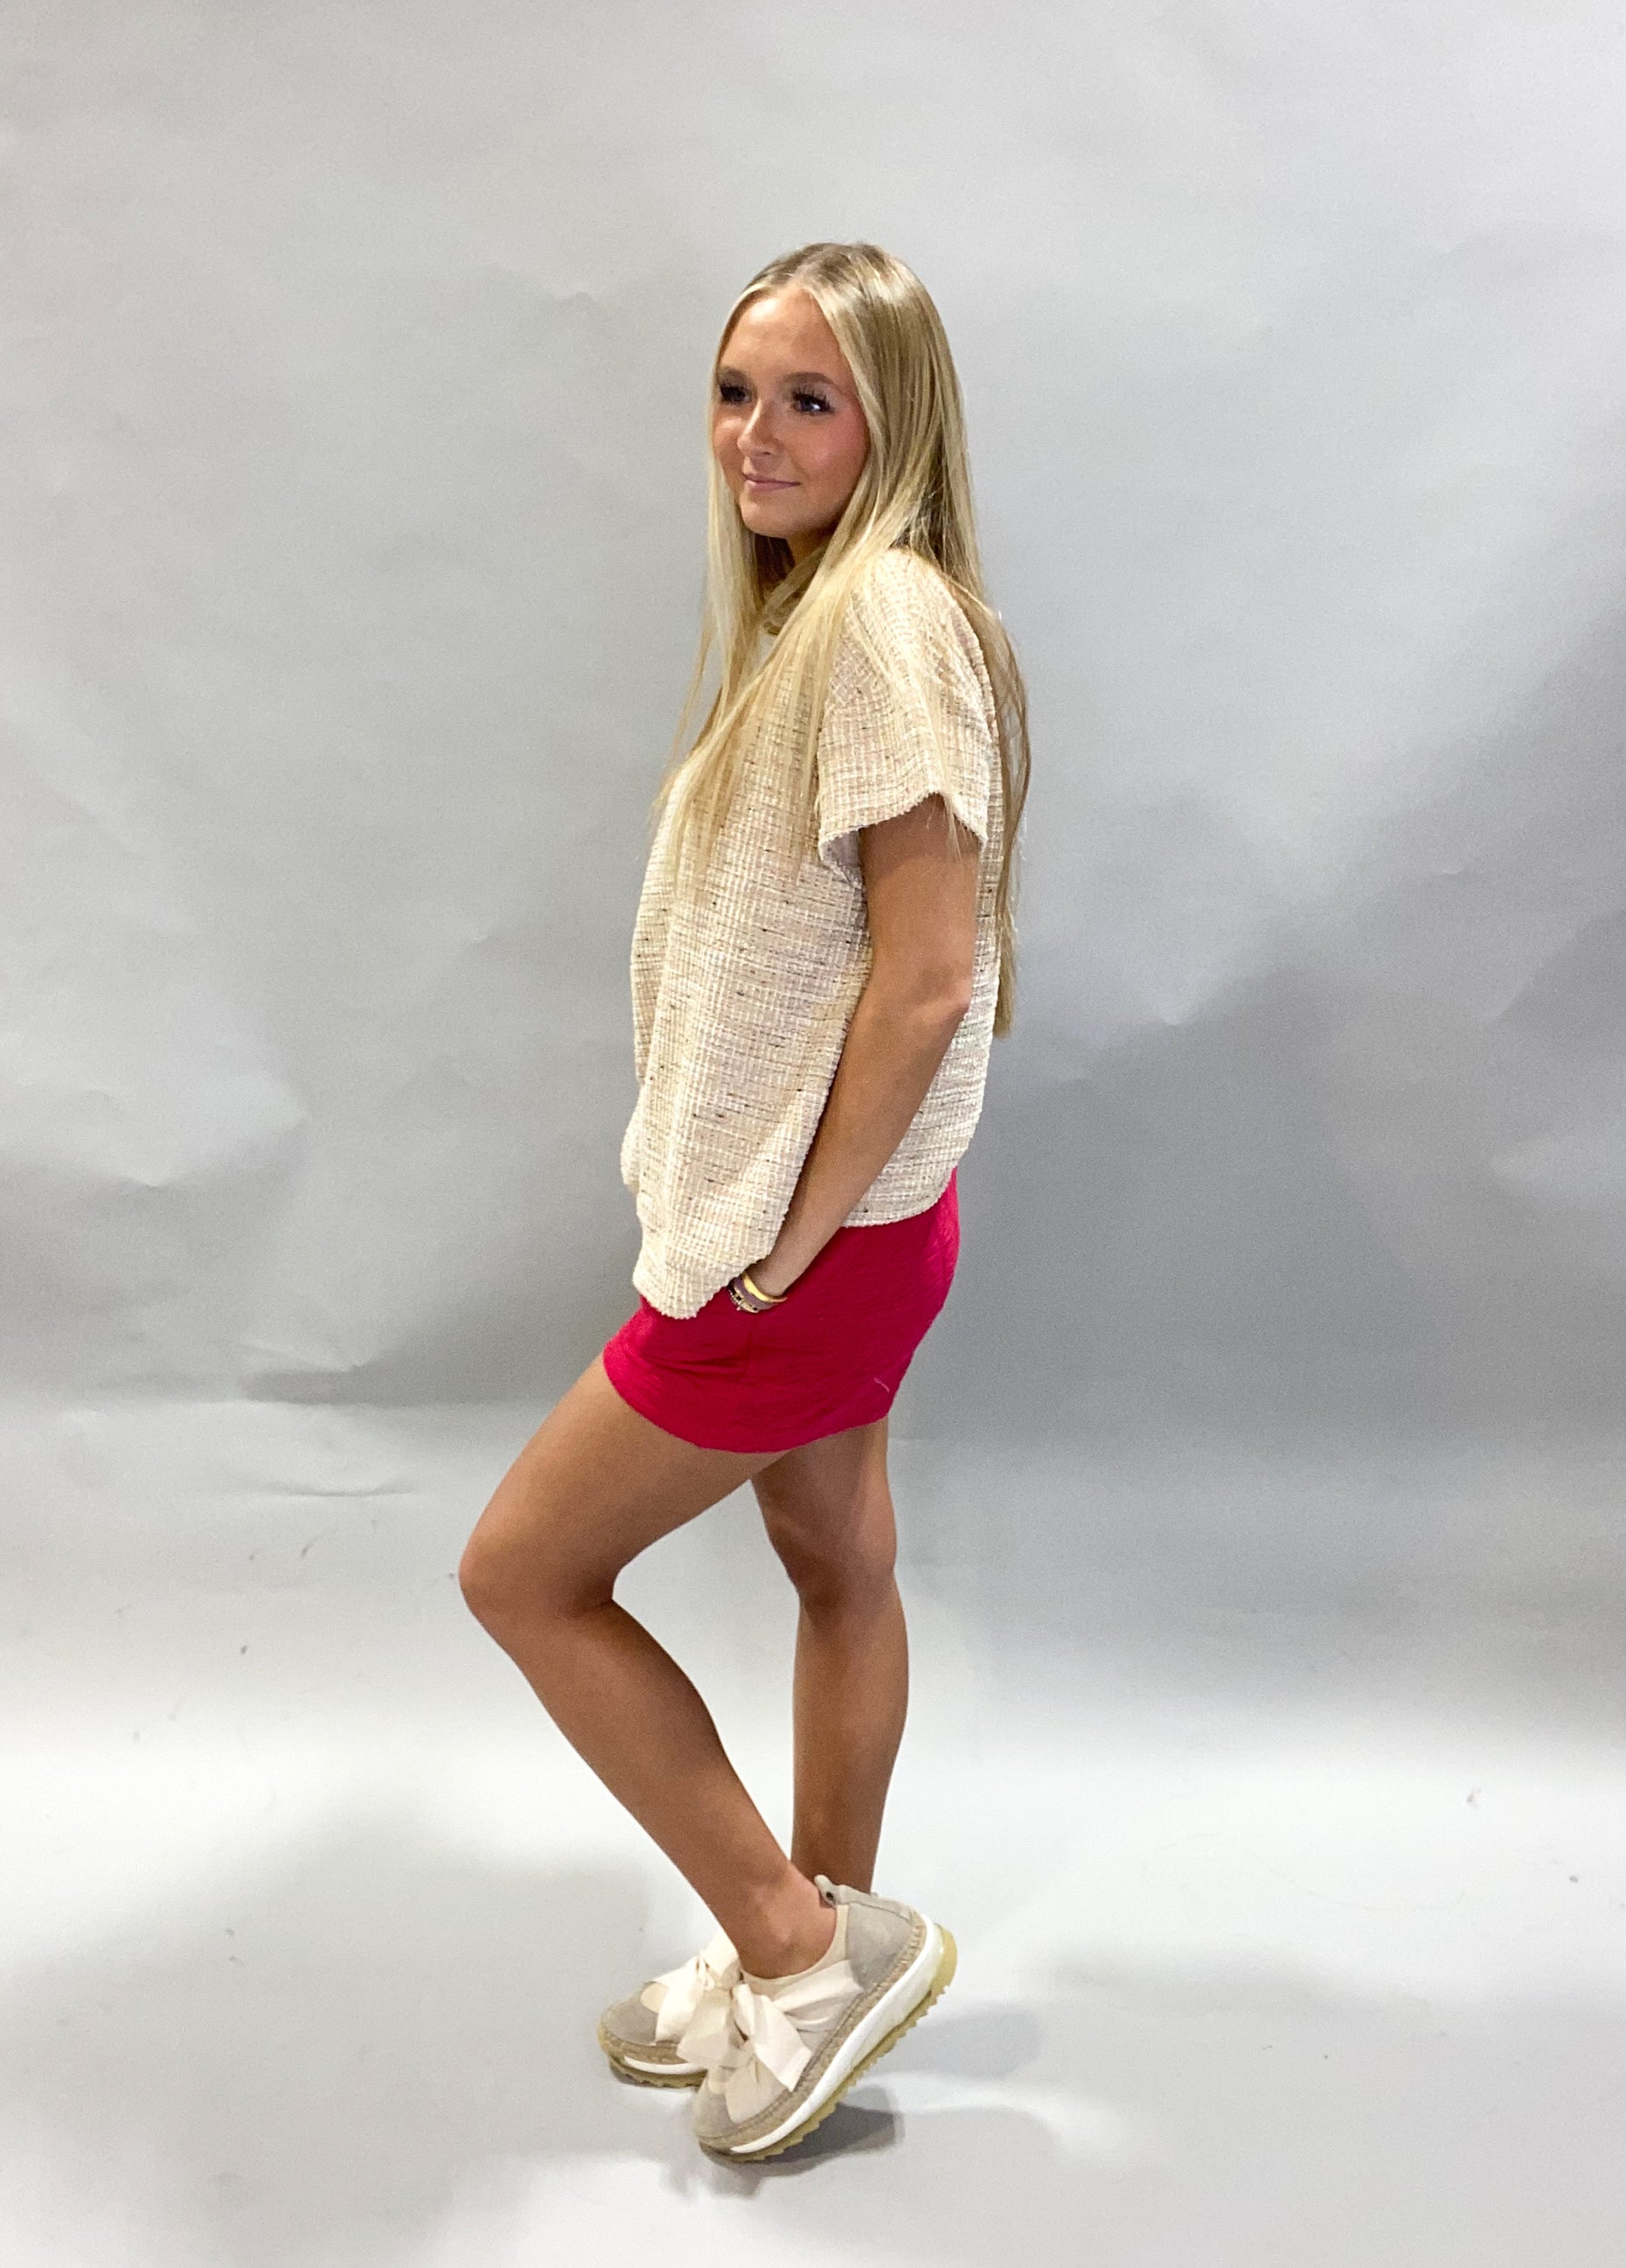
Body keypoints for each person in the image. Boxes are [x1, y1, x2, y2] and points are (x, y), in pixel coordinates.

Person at [457, 240, 1030, 2163]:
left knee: (522, 1574)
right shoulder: (833, 614)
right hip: (848, 1233)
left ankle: (793, 1941)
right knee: (835, 1559)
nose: (755, 435)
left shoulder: (877, 620)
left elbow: (927, 977)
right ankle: (813, 1951)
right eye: (733, 390)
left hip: (807, 1249)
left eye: (808, 399)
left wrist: (784, 1236)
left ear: (891, 420)